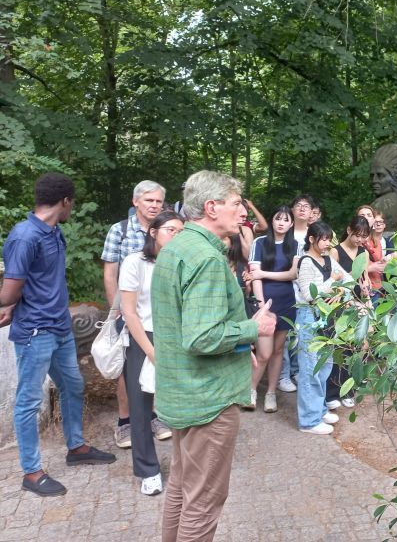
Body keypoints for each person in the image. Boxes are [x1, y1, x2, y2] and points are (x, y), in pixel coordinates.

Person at [151, 170, 277, 542]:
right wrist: (254, 329)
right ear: (211, 207)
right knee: (204, 499)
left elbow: (191, 325)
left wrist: (240, 343)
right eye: (236, 204)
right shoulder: (205, 259)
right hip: (208, 399)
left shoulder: (176, 246)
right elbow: (202, 337)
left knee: (181, 486)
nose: (243, 214)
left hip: (183, 393)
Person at [0, 173, 116, 497]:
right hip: (35, 333)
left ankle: (76, 447)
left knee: (73, 384)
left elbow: (39, 281)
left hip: (60, 327)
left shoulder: (54, 231)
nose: (72, 208)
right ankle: (32, 472)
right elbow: (9, 291)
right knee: (28, 401)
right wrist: (9, 305)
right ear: (65, 201)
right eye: (72, 203)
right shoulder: (25, 237)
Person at [118, 210, 184, 496]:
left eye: (181, 231)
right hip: (142, 337)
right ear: (153, 232)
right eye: (171, 229)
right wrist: (151, 351)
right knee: (141, 406)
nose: (176, 235)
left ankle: (186, 466)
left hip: (179, 337)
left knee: (183, 405)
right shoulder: (135, 262)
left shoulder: (182, 263)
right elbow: (129, 312)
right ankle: (148, 470)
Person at [101, 180, 170, 449]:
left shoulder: (166, 230)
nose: (154, 205)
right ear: (136, 202)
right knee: (127, 369)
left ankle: (153, 416)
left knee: (155, 363)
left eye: (158, 201)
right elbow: (110, 273)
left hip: (159, 313)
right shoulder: (119, 231)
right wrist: (116, 311)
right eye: (149, 200)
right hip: (128, 312)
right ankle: (125, 422)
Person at [295, 222, 353, 434]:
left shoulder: (329, 259)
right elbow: (309, 294)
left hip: (328, 318)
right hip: (310, 317)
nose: (328, 243)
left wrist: (340, 292)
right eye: (324, 239)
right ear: (312, 239)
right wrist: (332, 282)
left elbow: (349, 281)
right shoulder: (305, 262)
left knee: (324, 366)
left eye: (330, 239)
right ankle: (309, 421)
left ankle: (318, 410)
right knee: (310, 369)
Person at [247, 205, 299, 413]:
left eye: (286, 220)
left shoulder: (294, 245)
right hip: (265, 303)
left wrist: (264, 274)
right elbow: (254, 276)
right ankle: (249, 391)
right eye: (278, 218)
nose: (281, 223)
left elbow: (292, 274)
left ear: (291, 224)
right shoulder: (259, 243)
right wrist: (261, 306)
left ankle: (270, 393)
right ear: (272, 220)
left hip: (287, 302)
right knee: (264, 352)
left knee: (278, 350)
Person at [328, 216, 372, 409]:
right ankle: (332, 392)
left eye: (364, 236)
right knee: (341, 347)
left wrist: (366, 295)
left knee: (361, 346)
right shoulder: (335, 252)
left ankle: (350, 389)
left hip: (359, 303)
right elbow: (332, 281)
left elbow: (364, 279)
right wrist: (349, 301)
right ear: (348, 230)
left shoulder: (363, 252)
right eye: (357, 235)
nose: (360, 240)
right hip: (341, 303)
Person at [279, 194, 316, 394]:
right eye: (298, 205)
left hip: (306, 292)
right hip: (285, 287)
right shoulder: (284, 233)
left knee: (302, 332)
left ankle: (297, 371)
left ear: (312, 212)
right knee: (285, 333)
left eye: (306, 206)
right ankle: (284, 374)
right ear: (292, 210)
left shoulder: (315, 234)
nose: (302, 209)